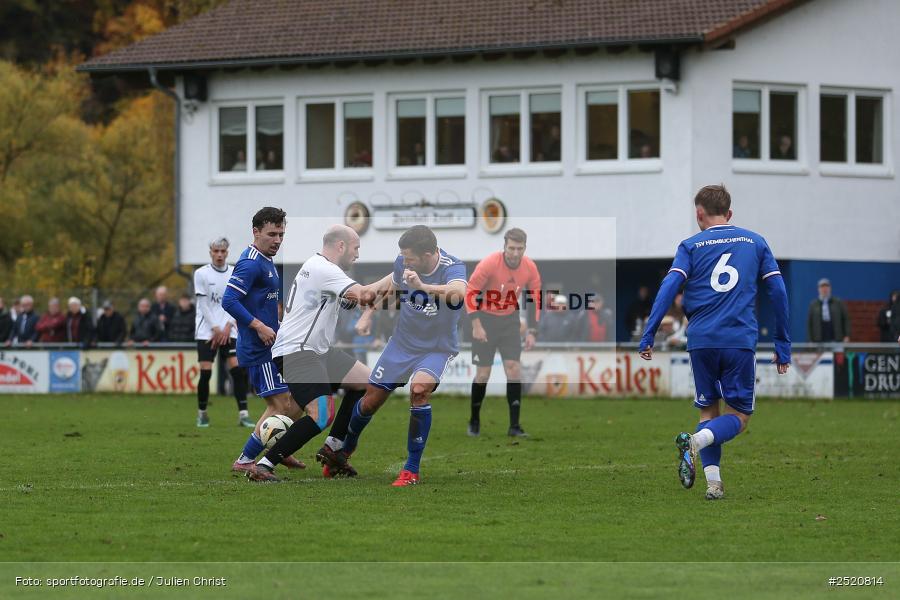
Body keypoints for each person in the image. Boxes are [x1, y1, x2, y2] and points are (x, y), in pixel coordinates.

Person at [639, 184, 791, 501]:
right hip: (738, 340)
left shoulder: (690, 246)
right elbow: (778, 291)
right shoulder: (755, 241)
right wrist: (782, 342)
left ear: (699, 214)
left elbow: (669, 286)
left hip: (701, 341)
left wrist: (650, 331)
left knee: (709, 413)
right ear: (729, 213)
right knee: (739, 417)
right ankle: (694, 442)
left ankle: (714, 484)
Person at [338, 225, 468, 486]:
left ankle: (411, 469)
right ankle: (344, 451)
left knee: (419, 390)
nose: (404, 262)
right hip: (402, 343)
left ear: (428, 254)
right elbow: (393, 291)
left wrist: (423, 286)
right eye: (403, 257)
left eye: (410, 258)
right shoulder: (403, 263)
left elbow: (458, 294)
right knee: (369, 402)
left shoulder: (452, 266)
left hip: (436, 348)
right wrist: (368, 314)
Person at [248, 225, 377, 482]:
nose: (357, 254)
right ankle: (263, 465)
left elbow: (353, 300)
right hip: (298, 351)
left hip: (317, 351)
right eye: (356, 248)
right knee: (321, 414)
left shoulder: (320, 267)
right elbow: (364, 295)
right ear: (341, 246)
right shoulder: (324, 269)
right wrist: (396, 277)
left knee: (369, 383)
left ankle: (333, 449)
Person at [222, 207, 305, 473]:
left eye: (281, 234)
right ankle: (245, 460)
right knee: (280, 405)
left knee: (298, 400)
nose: (277, 240)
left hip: (273, 344)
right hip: (259, 349)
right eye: (272, 234)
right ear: (256, 232)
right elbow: (229, 300)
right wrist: (258, 326)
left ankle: (279, 448)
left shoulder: (266, 260)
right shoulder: (250, 263)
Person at [465, 227, 541, 437]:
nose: (515, 253)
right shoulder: (489, 263)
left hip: (509, 321)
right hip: (485, 320)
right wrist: (476, 325)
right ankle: (474, 420)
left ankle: (514, 426)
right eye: (512, 248)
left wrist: (533, 331)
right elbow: (470, 292)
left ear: (525, 248)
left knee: (514, 369)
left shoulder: (530, 267)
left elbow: (535, 299)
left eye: (519, 248)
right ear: (504, 247)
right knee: (483, 374)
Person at [193, 237, 251, 428]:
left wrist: (228, 325)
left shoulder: (235, 273)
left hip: (229, 329)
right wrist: (216, 328)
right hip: (207, 331)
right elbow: (203, 305)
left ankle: (243, 414)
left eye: (222, 251)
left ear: (227, 252)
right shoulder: (201, 273)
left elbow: (239, 302)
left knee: (237, 370)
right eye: (216, 251)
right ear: (210, 252)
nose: (219, 255)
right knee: (206, 372)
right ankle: (202, 414)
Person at [806, 278, 850, 343]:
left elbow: (846, 319)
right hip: (818, 340)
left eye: (826, 286)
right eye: (822, 287)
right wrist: (810, 340)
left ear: (830, 288)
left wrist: (847, 335)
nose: (824, 289)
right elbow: (809, 323)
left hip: (836, 339)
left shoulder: (838, 303)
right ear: (818, 289)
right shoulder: (813, 305)